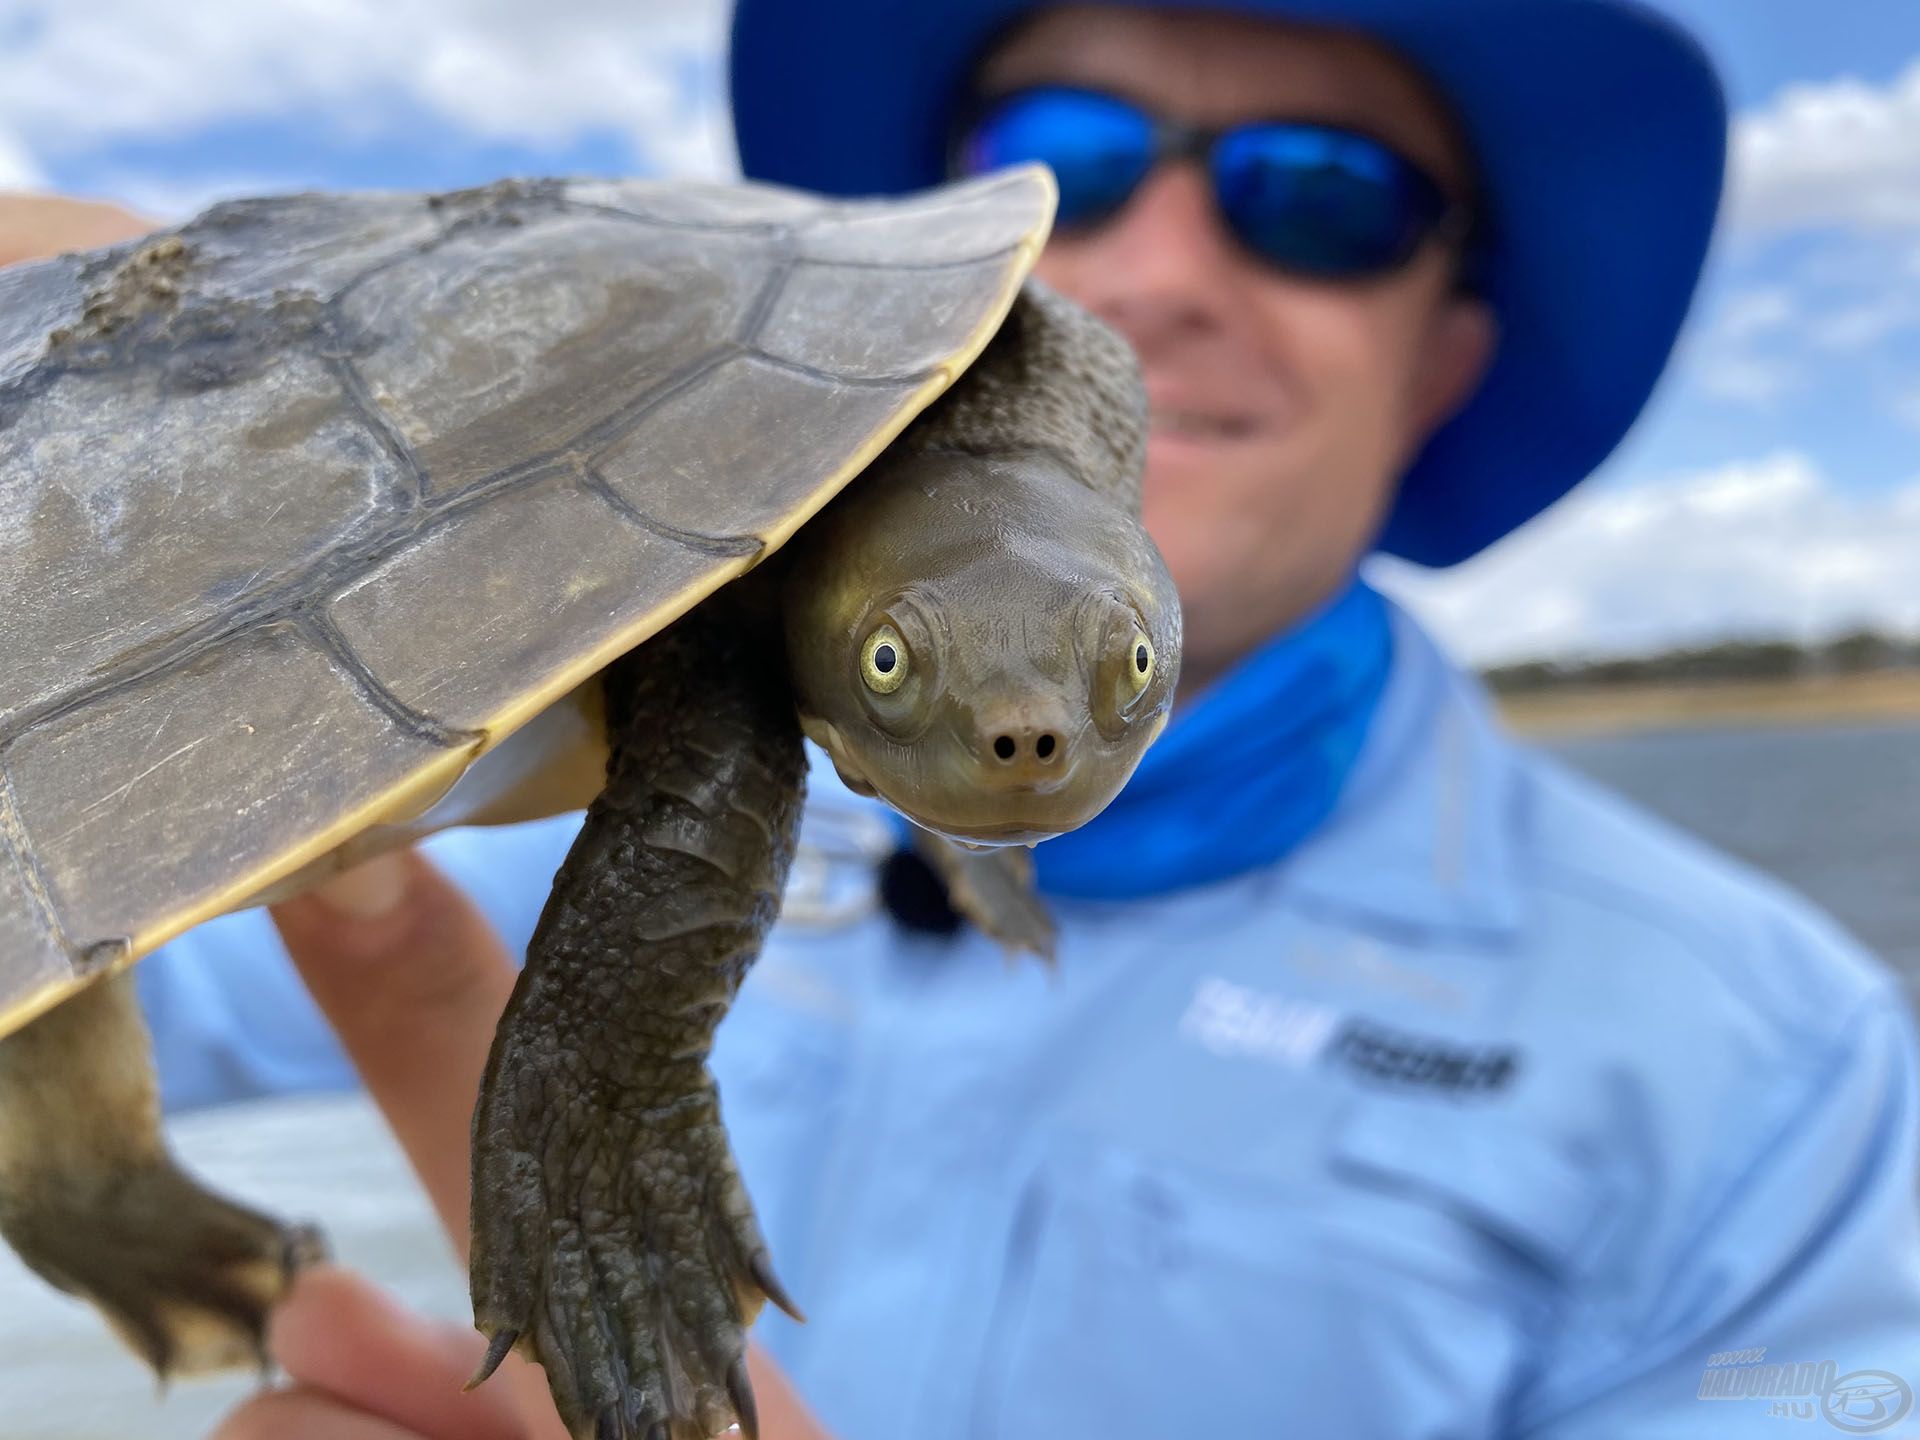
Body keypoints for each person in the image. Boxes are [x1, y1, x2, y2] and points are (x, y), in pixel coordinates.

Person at [10, 0, 1918, 1436]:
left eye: (1320, 200)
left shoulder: (1777, 1079)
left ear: (1454, 351)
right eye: (1075, 152)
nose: (1168, 269)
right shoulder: (494, 794)